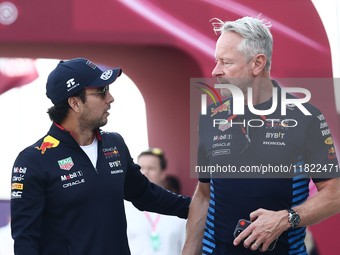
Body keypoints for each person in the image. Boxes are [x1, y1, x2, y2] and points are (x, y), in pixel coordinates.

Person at [182, 16, 340, 255]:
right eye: (216, 61)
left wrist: (287, 219)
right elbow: (204, 195)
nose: (216, 71)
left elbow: (335, 193)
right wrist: (189, 250)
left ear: (257, 64)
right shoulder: (210, 117)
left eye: (226, 62)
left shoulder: (306, 117)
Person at [10, 58, 191, 255]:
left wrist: (200, 208)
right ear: (75, 103)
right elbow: (25, 240)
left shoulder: (115, 144)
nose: (110, 98)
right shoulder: (33, 160)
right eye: (102, 91)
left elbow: (146, 195)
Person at [125, 148, 186, 255]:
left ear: (162, 173)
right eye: (140, 168)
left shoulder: (178, 206)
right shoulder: (123, 207)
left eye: (151, 168)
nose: (144, 172)